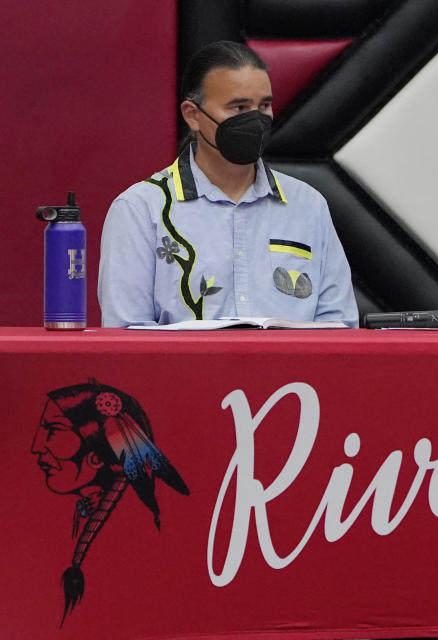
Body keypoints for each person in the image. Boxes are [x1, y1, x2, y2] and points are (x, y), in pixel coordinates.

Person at [98, 41, 358, 327]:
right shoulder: (140, 209)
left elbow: (340, 324)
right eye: (239, 107)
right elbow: (125, 332)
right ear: (193, 115)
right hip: (185, 372)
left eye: (264, 106)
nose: (256, 119)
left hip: (292, 373)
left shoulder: (308, 205)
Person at [31, 381, 189, 625]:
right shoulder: (84, 511)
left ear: (96, 456)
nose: (36, 447)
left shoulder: (131, 542)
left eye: (52, 430)